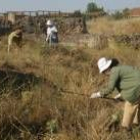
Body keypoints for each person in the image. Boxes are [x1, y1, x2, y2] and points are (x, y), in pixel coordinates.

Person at [90, 57, 140, 132]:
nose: (104, 74)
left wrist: (98, 94)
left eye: (103, 72)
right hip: (137, 89)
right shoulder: (119, 68)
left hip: (136, 90)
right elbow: (128, 83)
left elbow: (110, 88)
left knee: (129, 105)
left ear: (106, 69)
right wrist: (120, 95)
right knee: (136, 105)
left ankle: (126, 129)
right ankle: (136, 123)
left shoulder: (114, 72)